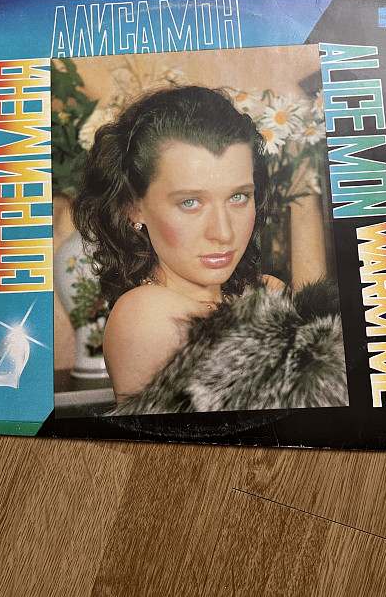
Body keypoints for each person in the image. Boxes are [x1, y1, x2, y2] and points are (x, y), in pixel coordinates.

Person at [72, 85, 284, 404]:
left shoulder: (268, 290)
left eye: (239, 197)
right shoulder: (144, 314)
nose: (223, 232)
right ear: (133, 207)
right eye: (190, 203)